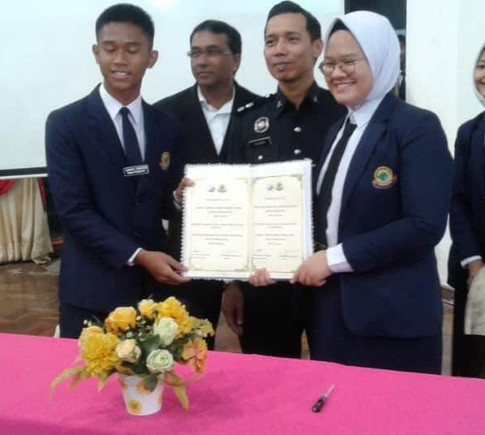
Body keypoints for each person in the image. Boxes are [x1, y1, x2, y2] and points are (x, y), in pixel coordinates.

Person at [252, 11, 453, 373]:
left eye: (348, 62)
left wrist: (332, 259)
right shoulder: (339, 129)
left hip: (392, 318)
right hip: (332, 313)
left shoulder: (416, 127)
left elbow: (424, 225)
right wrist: (272, 259)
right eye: (329, 64)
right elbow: (327, 219)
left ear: (380, 58)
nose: (336, 72)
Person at [46, 4, 190, 338]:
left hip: (151, 292)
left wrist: (178, 198)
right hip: (90, 292)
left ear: (151, 58)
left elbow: (161, 200)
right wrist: (138, 255)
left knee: (152, 372)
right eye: (110, 49)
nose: (120, 59)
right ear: (96, 53)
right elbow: (73, 211)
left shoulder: (166, 125)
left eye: (133, 50)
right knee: (88, 373)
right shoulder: (66, 124)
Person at [223, 1, 345, 358]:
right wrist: (233, 284)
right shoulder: (247, 120)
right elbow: (233, 203)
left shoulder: (344, 114)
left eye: (291, 39)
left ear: (317, 47)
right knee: (268, 378)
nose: (279, 50)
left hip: (332, 278)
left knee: (338, 375)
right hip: (265, 281)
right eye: (270, 41)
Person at [154, 20, 260, 348]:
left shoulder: (263, 112)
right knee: (187, 356)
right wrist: (175, 198)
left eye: (213, 52)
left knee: (261, 351)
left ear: (236, 59)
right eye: (195, 53)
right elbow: (153, 192)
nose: (201, 61)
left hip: (252, 262)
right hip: (188, 263)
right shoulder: (164, 115)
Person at [448, 44, 485, 377]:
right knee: (474, 364)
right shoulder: (469, 132)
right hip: (476, 269)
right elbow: (457, 199)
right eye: (482, 65)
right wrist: (473, 261)